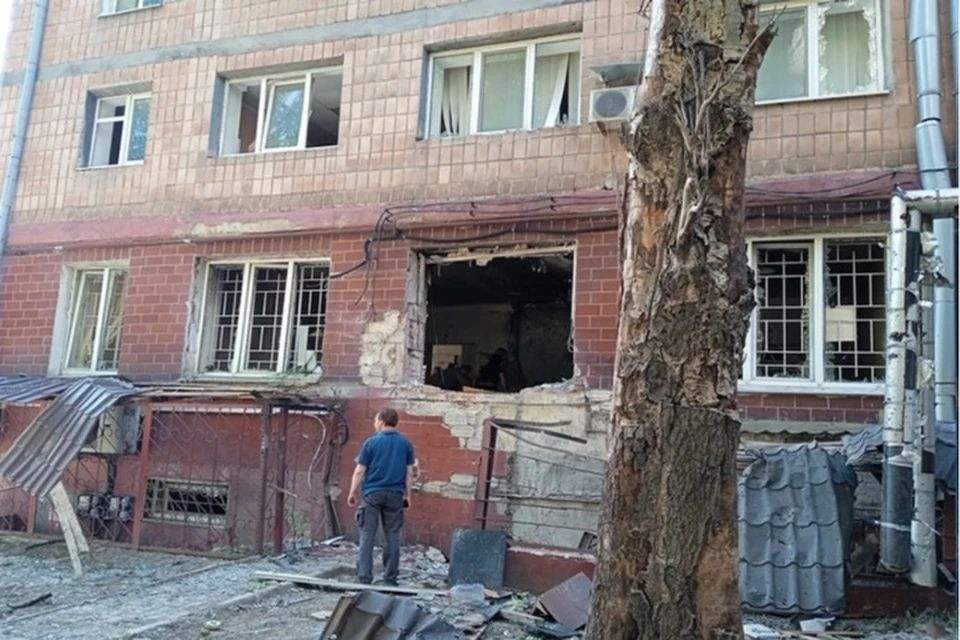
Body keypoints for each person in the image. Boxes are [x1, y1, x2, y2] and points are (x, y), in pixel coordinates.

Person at [347, 407, 415, 586]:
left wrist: (352, 491)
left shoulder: (371, 443)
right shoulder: (406, 444)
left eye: (376, 420)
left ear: (383, 422)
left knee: (367, 536)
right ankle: (390, 579)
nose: (374, 423)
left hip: (372, 494)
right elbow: (409, 473)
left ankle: (364, 578)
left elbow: (360, 470)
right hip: (395, 494)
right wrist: (408, 495)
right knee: (392, 536)